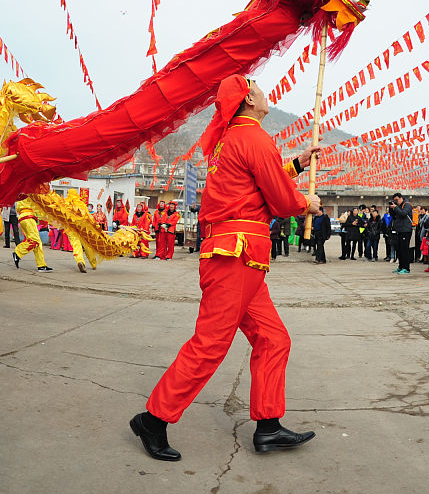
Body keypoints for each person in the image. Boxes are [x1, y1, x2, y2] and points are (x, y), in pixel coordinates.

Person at [130, 75, 320, 461]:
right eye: (261, 89)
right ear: (250, 98)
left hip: (240, 256)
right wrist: (305, 203)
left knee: (273, 338)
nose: (268, 95)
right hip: (236, 257)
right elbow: (279, 198)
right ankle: (153, 419)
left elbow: (253, 185)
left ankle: (268, 427)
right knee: (211, 344)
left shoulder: (235, 139)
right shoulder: (253, 137)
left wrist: (295, 166)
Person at [12, 196, 53, 271]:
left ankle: (41, 265)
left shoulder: (20, 190)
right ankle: (18, 252)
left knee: (37, 242)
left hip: (23, 217)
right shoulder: (30, 190)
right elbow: (39, 203)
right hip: (28, 216)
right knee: (35, 240)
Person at [389, 192, 414, 274]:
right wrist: (391, 208)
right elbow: (394, 216)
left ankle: (406, 268)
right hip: (399, 230)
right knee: (399, 250)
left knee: (404, 249)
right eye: (394, 200)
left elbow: (403, 213)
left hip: (406, 230)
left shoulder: (407, 205)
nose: (396, 202)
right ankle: (400, 266)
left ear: (401, 198)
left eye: (397, 200)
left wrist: (396, 207)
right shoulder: (398, 206)